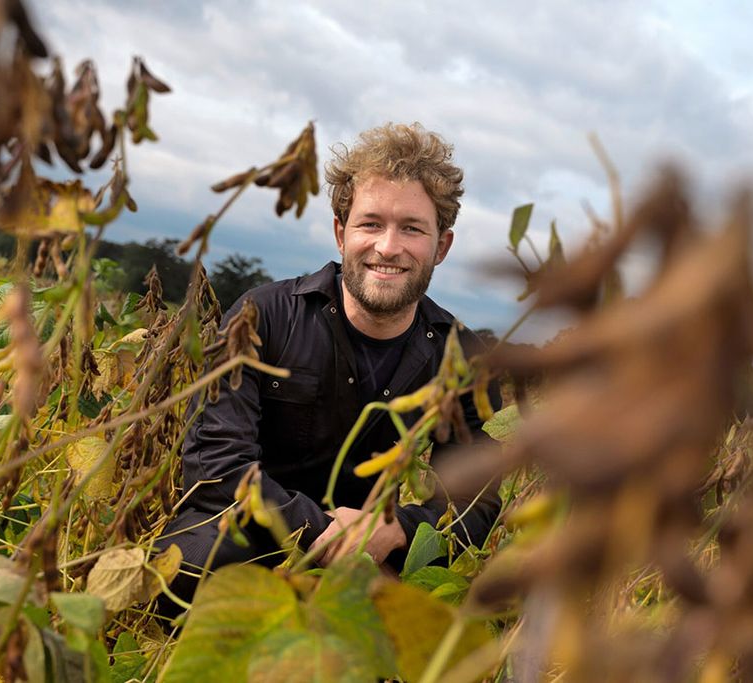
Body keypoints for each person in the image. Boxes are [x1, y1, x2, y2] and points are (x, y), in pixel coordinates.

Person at [157, 123, 501, 614]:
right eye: (370, 224)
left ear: (441, 246)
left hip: (376, 555)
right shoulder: (265, 316)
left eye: (412, 228)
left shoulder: (458, 355)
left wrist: (399, 529)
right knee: (191, 569)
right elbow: (216, 466)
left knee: (449, 616)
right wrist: (325, 532)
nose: (387, 247)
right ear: (341, 233)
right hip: (250, 537)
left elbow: (477, 496)